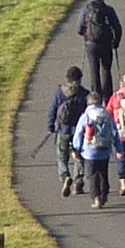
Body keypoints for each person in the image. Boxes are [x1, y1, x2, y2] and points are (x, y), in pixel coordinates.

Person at [45, 66, 87, 198]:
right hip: (78, 132)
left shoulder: (59, 93)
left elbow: (52, 110)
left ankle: (65, 176)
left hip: (62, 130)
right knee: (79, 155)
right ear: (80, 79)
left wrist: (51, 126)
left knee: (62, 156)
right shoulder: (84, 94)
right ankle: (78, 181)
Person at [73, 90, 119, 208]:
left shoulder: (86, 116)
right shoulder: (107, 115)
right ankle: (104, 195)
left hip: (89, 152)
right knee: (104, 174)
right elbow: (115, 132)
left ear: (88, 102)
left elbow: (78, 134)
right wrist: (119, 148)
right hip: (104, 150)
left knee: (92, 175)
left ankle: (96, 198)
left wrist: (76, 149)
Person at [78, 0, 122, 94]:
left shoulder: (86, 10)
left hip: (91, 44)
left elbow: (79, 28)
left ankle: (96, 96)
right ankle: (108, 98)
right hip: (106, 43)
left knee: (94, 71)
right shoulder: (108, 10)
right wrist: (116, 42)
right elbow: (117, 27)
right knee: (106, 70)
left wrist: (85, 35)